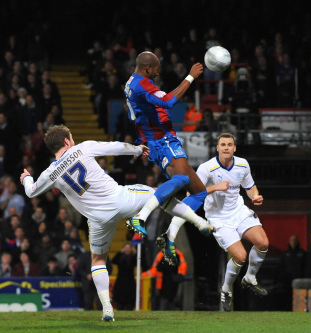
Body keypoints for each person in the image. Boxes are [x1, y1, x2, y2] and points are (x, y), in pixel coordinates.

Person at [19, 125, 209, 321]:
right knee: (157, 194)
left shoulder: (51, 173)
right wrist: (137, 149)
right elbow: (115, 147)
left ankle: (107, 308)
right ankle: (198, 221)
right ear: (67, 141)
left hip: (98, 220)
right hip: (120, 200)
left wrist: (26, 178)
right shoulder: (83, 148)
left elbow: (31, 191)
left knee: (98, 260)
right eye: (71, 137)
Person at [123, 51, 213, 266]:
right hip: (162, 140)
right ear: (147, 69)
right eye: (155, 70)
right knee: (182, 180)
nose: (158, 73)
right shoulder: (142, 84)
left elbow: (159, 99)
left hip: (158, 140)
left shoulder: (133, 82)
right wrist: (190, 76)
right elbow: (170, 101)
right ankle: (141, 216)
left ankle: (169, 236)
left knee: (200, 192)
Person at [175, 133, 269, 311]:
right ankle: (226, 289)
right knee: (240, 256)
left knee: (263, 243)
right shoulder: (206, 168)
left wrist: (255, 196)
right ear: (217, 148)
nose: (226, 147)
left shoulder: (242, 164)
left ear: (235, 148)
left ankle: (250, 277)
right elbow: (191, 194)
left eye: (229, 144)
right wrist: (215, 187)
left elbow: (250, 188)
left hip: (239, 212)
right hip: (218, 218)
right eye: (223, 144)